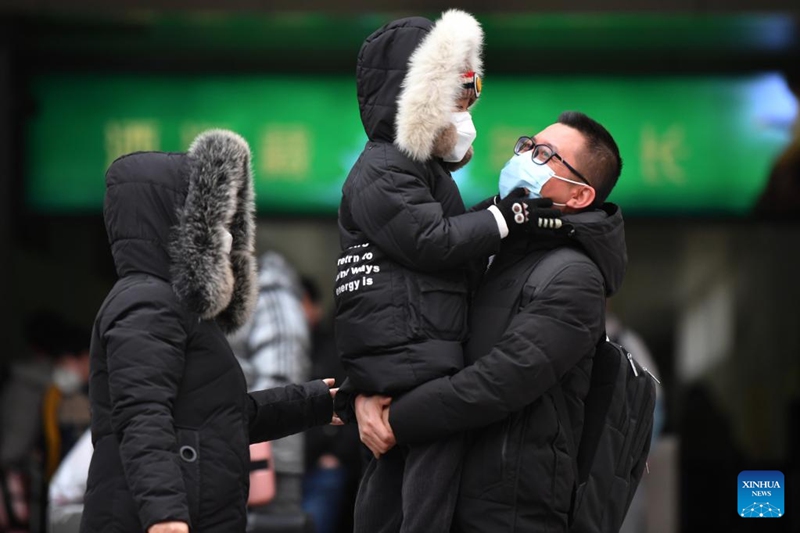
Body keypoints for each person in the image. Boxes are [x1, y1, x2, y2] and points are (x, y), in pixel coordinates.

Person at [335, 10, 563, 533]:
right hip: (411, 355)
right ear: (417, 95)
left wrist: (500, 214)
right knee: (424, 488)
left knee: (397, 487)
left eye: (474, 88)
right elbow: (434, 240)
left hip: (413, 351)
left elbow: (450, 230)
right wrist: (504, 218)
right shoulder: (384, 168)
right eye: (461, 90)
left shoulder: (413, 171)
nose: (468, 105)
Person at [356, 111, 627, 532]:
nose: (525, 158)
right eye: (526, 146)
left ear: (579, 197)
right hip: (434, 494)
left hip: (506, 511)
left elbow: (499, 382)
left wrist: (396, 419)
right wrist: (365, 395)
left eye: (545, 155)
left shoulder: (575, 277)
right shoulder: (487, 245)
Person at [80, 130, 338, 533]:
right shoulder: (147, 301)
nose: (226, 233)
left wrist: (316, 403)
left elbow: (218, 418)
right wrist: (165, 516)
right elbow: (141, 414)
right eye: (213, 218)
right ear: (179, 223)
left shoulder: (177, 308)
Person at [227, 251, 312, 526]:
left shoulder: (271, 294)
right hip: (237, 449)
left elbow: (282, 376)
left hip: (267, 458)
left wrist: (246, 439)